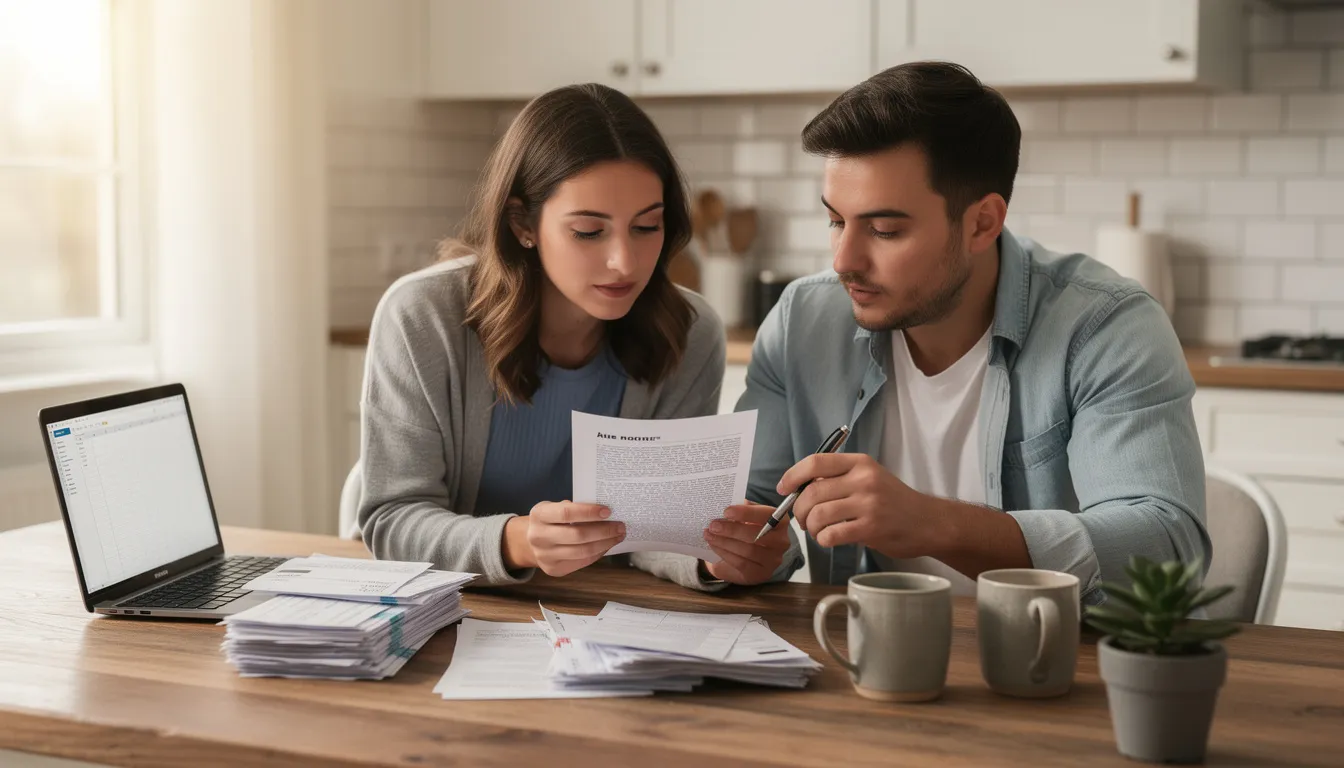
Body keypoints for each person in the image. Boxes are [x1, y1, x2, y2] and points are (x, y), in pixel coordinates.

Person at [740, 62, 1208, 604]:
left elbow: (1167, 549)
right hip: (874, 665)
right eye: (835, 221)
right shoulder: (803, 320)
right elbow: (749, 508)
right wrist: (736, 549)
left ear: (982, 223)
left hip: (1061, 669)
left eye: (885, 230)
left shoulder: (1104, 326)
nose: (844, 260)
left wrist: (932, 523)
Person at [357, 83, 797, 590]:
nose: (624, 263)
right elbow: (392, 523)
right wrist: (518, 542)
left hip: (599, 619)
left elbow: (655, 531)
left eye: (646, 227)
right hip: (446, 611)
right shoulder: (421, 318)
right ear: (523, 222)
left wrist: (711, 560)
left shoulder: (689, 332)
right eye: (589, 232)